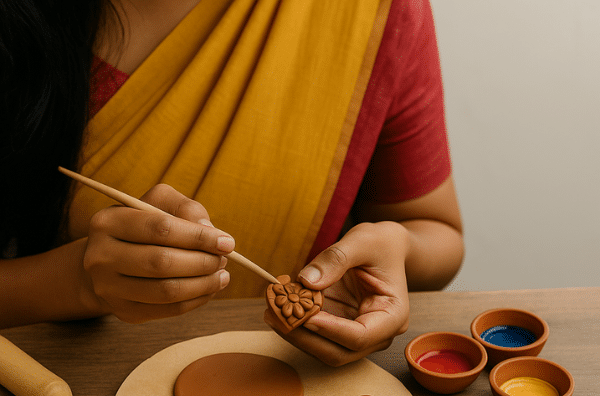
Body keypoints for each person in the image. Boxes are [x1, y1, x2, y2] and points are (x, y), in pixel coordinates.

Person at [0, 0, 463, 366]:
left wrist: (397, 249)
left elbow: (438, 236)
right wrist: (77, 283)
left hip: (293, 385)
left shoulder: (374, 14)